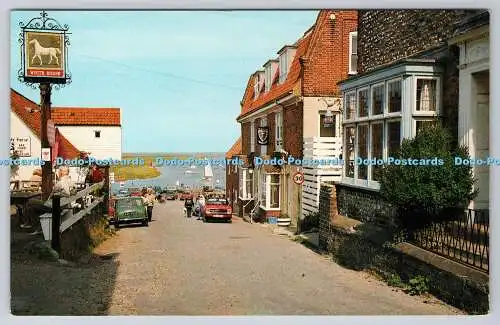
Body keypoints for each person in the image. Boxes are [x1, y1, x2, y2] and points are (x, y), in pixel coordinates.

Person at [24, 165, 76, 234]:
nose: (57, 173)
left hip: (55, 207)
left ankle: (33, 225)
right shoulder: (71, 182)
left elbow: (67, 193)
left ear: (61, 172)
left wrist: (57, 194)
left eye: (58, 171)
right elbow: (72, 193)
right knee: (31, 206)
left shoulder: (61, 183)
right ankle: (34, 225)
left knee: (30, 202)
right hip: (62, 205)